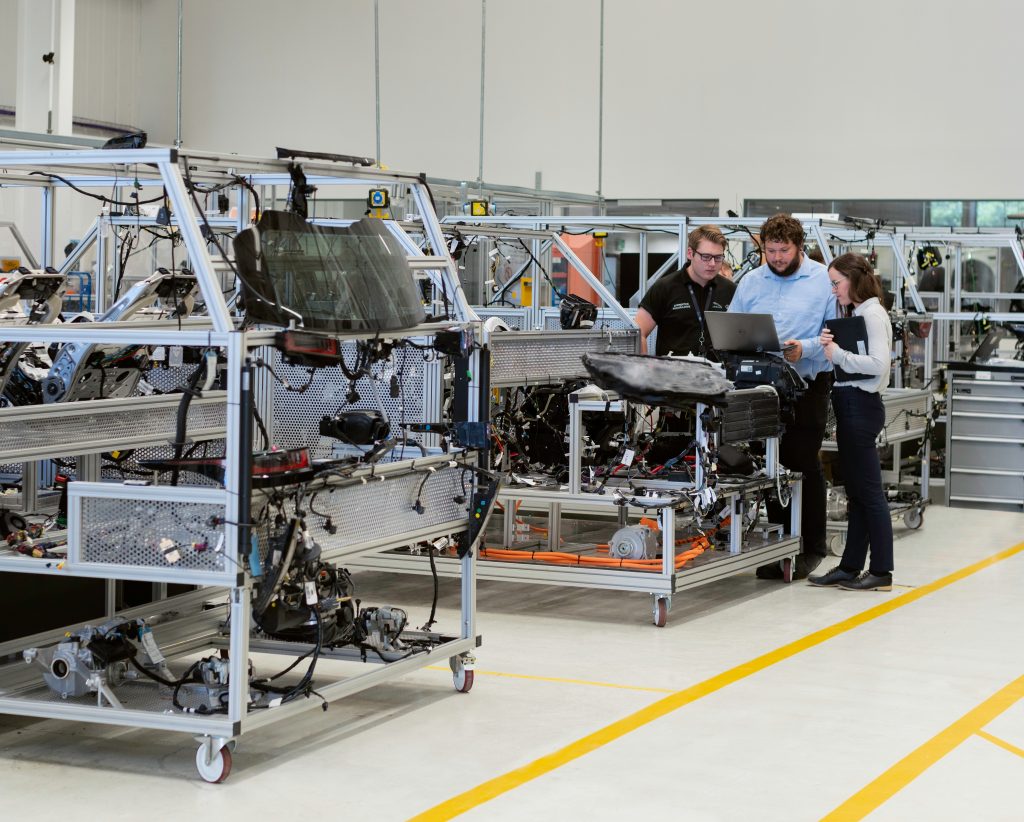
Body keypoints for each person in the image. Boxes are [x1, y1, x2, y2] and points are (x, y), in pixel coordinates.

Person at [728, 214, 836, 580]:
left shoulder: (823, 280)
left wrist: (802, 349)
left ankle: (811, 547)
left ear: (798, 246)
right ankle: (781, 546)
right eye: (770, 250)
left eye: (783, 250)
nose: (776, 257)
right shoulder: (751, 281)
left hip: (807, 384)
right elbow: (732, 326)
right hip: (762, 388)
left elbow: (833, 334)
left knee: (801, 462)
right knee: (771, 467)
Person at [809, 253, 894, 591]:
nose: (833, 290)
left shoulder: (872, 314)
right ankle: (850, 566)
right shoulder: (858, 313)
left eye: (836, 283)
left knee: (870, 493)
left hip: (861, 405)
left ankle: (882, 571)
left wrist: (838, 355)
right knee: (858, 493)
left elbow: (878, 365)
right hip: (850, 404)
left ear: (853, 279)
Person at [636, 224, 736, 359]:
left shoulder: (730, 290)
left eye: (718, 257)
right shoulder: (665, 287)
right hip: (672, 375)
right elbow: (638, 332)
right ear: (690, 253)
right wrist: (644, 368)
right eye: (706, 256)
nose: (712, 263)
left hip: (718, 374)